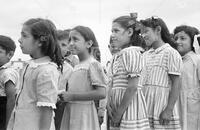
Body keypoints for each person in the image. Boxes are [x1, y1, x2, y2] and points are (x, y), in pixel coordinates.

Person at [7, 18, 63, 130]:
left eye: (25, 36)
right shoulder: (29, 65)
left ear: (40, 42)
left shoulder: (46, 71)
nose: (19, 40)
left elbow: (46, 110)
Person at [59, 26, 107, 130]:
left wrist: (72, 96)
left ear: (88, 44)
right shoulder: (76, 66)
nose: (71, 43)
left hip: (84, 114)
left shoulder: (93, 64)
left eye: (75, 39)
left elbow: (101, 93)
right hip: (72, 112)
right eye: (69, 40)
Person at [107, 13, 149, 130]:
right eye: (112, 31)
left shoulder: (131, 52)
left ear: (129, 32)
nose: (113, 35)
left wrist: (119, 113)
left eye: (116, 31)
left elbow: (132, 87)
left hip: (128, 109)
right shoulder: (121, 54)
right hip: (119, 108)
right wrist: (109, 104)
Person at [139, 16, 182, 129]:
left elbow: (176, 83)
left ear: (158, 30)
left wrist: (169, 109)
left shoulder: (171, 53)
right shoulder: (145, 55)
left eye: (146, 31)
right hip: (145, 106)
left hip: (161, 106)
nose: (143, 35)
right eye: (141, 33)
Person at [173, 25, 200, 130]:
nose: (178, 41)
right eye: (175, 38)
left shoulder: (197, 60)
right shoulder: (175, 60)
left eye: (183, 38)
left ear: (193, 41)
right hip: (176, 104)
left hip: (192, 105)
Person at [55, 30, 74, 130]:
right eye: (56, 44)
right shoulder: (44, 65)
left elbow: (69, 91)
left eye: (63, 45)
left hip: (59, 107)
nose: (59, 48)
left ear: (68, 49)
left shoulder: (69, 69)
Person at [0, 35, 19, 130]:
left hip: (3, 112)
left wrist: (8, 125)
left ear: (10, 54)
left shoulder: (8, 73)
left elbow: (11, 99)